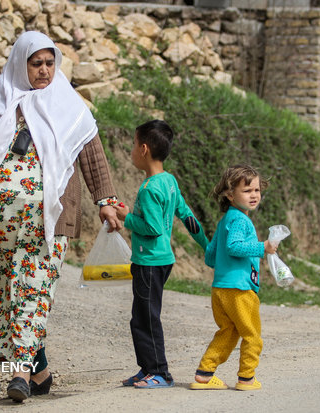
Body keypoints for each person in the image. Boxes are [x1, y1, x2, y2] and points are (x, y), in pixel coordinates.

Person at [0, 31, 121, 402]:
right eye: (36, 63)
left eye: (50, 63)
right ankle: (40, 373)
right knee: (6, 295)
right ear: (21, 63)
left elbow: (92, 159)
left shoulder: (69, 107)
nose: (43, 71)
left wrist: (106, 200)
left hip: (46, 223)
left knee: (32, 291)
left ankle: (19, 373)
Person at [112, 120, 208, 389]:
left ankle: (160, 373)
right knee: (140, 317)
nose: (131, 150)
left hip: (149, 262)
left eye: (133, 144)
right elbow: (187, 216)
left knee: (146, 318)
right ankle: (147, 369)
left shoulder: (150, 187)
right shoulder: (169, 181)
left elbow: (152, 229)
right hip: (161, 262)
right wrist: (206, 245)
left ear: (143, 149)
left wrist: (127, 218)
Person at [189, 164, 276, 391]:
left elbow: (210, 257)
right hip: (239, 289)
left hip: (220, 289)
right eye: (247, 191)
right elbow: (234, 246)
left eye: (256, 190)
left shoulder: (226, 220)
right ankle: (246, 378)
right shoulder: (240, 220)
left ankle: (205, 375)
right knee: (252, 335)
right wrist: (262, 247)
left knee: (228, 332)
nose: (254, 195)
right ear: (230, 195)